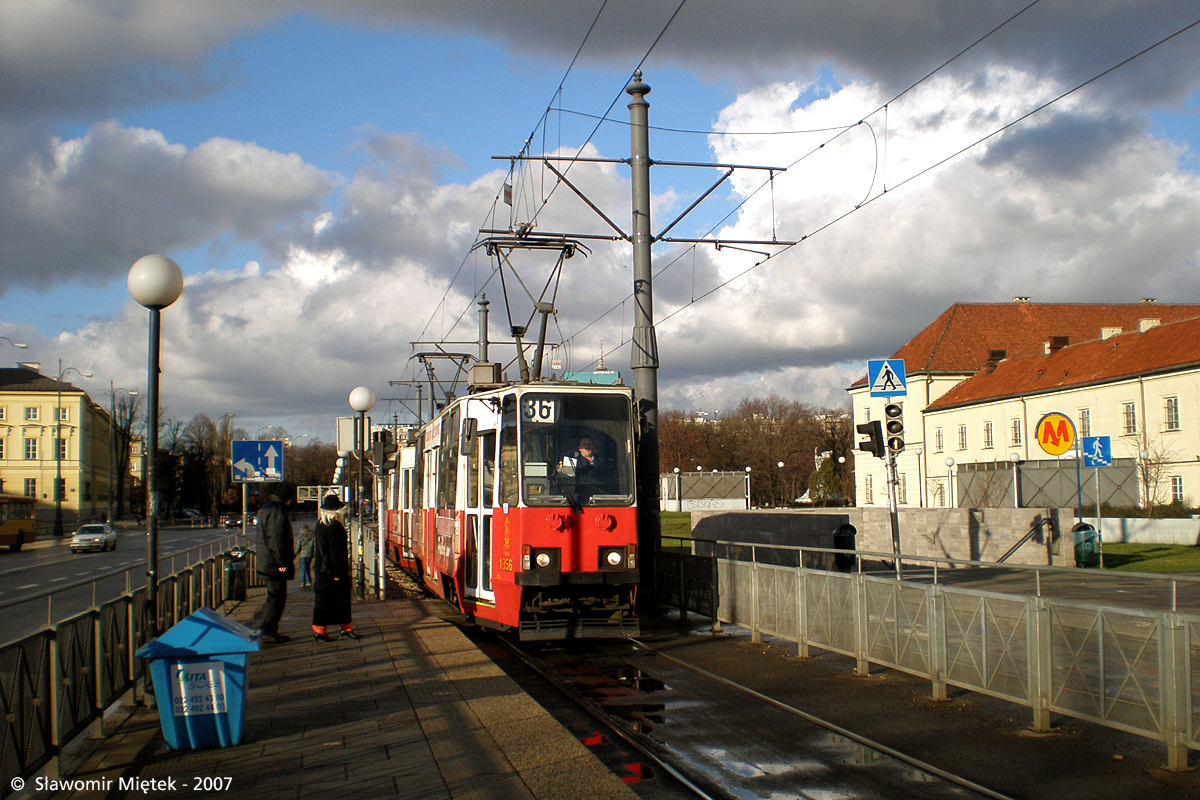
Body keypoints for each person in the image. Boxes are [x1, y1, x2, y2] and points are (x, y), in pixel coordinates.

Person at [312, 495, 362, 642]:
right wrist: (338, 573)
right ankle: (346, 628)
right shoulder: (335, 527)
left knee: (322, 601)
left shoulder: (320, 525)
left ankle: (319, 630)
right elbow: (335, 552)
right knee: (342, 600)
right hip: (333, 570)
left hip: (321, 571)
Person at [255, 493, 295, 644]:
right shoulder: (277, 511)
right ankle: (268, 630)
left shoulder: (267, 508)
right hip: (273, 564)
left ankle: (268, 629)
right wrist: (282, 562)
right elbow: (277, 539)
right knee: (277, 598)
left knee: (274, 597)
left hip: (267, 561)